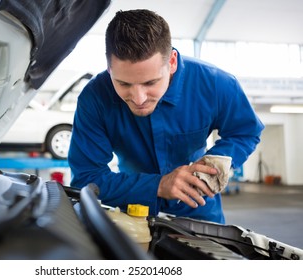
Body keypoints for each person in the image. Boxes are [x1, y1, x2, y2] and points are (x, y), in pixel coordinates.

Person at [68, 9, 264, 223]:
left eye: (150, 83)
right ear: (109, 68)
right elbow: (87, 178)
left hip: (198, 210)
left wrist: (210, 168)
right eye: (123, 84)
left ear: (171, 62)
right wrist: (159, 185)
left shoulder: (216, 84)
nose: (138, 98)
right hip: (128, 210)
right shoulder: (94, 98)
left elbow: (245, 132)